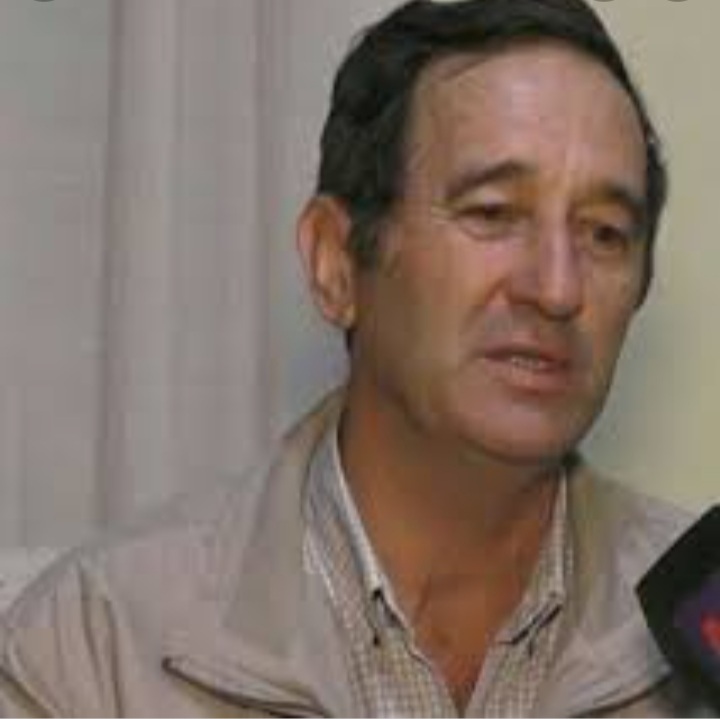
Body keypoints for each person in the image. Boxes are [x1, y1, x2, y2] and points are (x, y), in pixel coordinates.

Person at [0, 0, 710, 716]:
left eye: (605, 233)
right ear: (336, 263)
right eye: (492, 213)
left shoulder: (700, 612)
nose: (557, 288)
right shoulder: (94, 650)